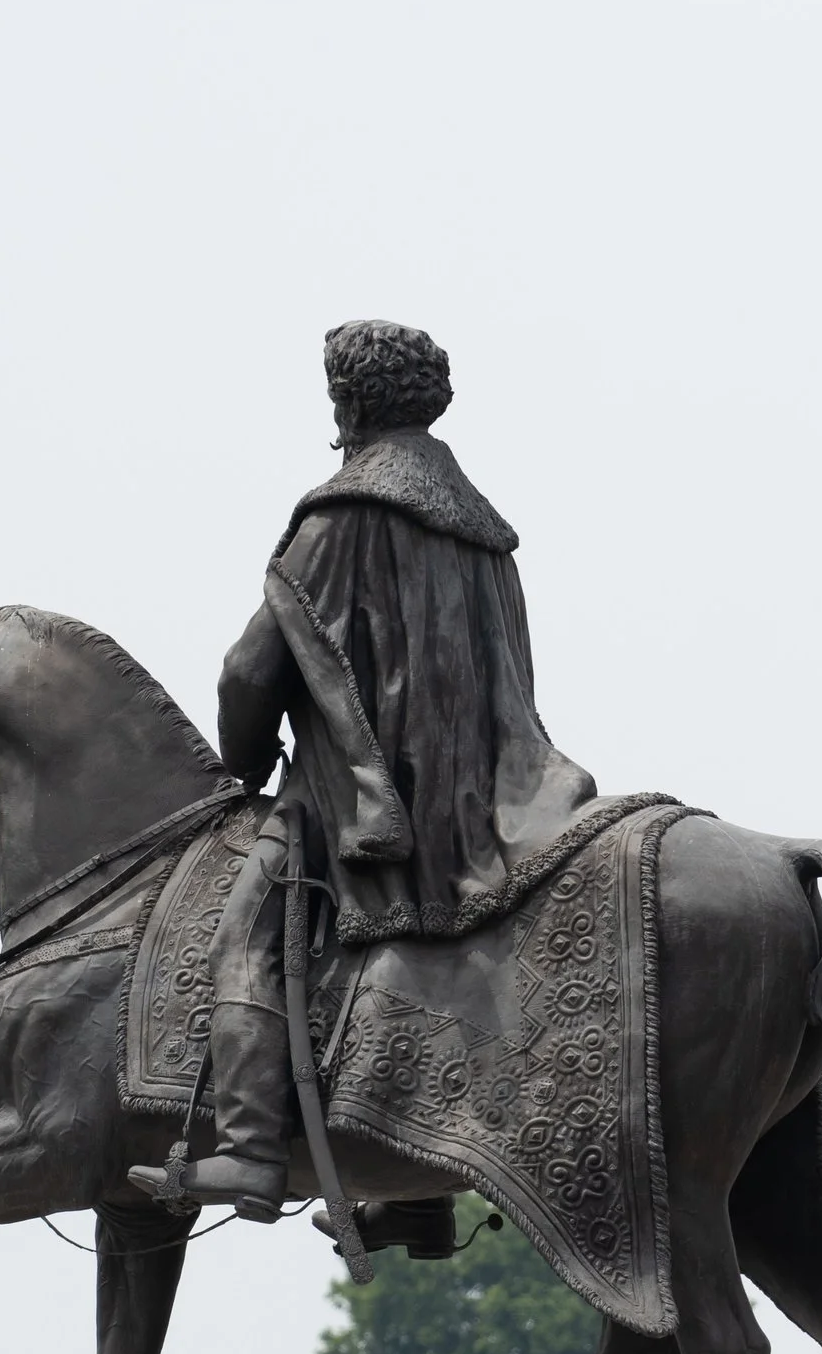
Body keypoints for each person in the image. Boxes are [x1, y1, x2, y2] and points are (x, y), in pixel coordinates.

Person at [132, 320, 596, 1217]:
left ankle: (251, 1150)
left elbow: (248, 671)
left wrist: (243, 761)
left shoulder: (341, 513)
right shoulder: (484, 530)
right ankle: (411, 1199)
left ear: (348, 404)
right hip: (499, 794)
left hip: (369, 797)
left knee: (249, 934)